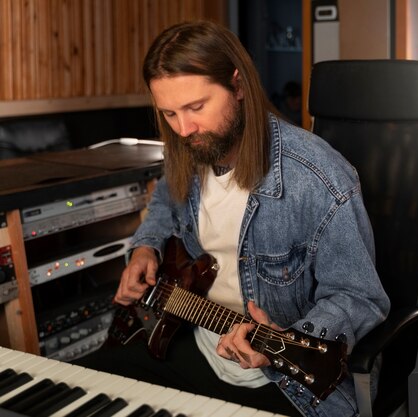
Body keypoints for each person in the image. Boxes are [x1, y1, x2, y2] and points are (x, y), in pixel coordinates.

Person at [75, 20, 389, 417]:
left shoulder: (318, 176)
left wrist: (286, 340)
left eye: (196, 107)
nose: (184, 128)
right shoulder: (187, 149)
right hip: (195, 339)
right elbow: (163, 206)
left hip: (288, 379)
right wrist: (145, 247)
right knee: (78, 388)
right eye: (169, 113)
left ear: (238, 87)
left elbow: (359, 296)